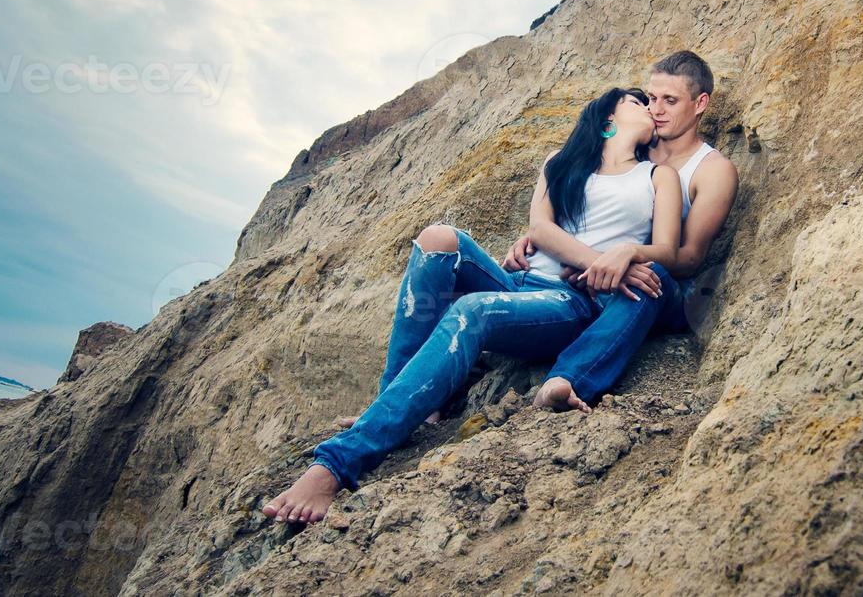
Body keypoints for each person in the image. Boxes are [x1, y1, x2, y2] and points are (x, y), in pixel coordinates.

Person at [262, 85, 682, 524]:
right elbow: (540, 230)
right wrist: (598, 258)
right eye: (638, 102)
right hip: (518, 281)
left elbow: (669, 251)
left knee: (472, 310)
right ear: (606, 119)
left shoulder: (657, 176)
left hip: (567, 299)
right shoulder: (560, 165)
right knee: (437, 239)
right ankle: (397, 401)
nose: (651, 108)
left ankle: (335, 464)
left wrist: (621, 259)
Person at [505, 50, 738, 411]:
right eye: (651, 98)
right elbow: (597, 206)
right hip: (603, 279)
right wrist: (547, 239)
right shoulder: (635, 146)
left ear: (700, 103)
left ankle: (569, 379)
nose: (656, 109)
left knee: (653, 273)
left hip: (660, 288)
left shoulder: (712, 169)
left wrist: (627, 254)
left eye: (670, 101)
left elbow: (690, 258)